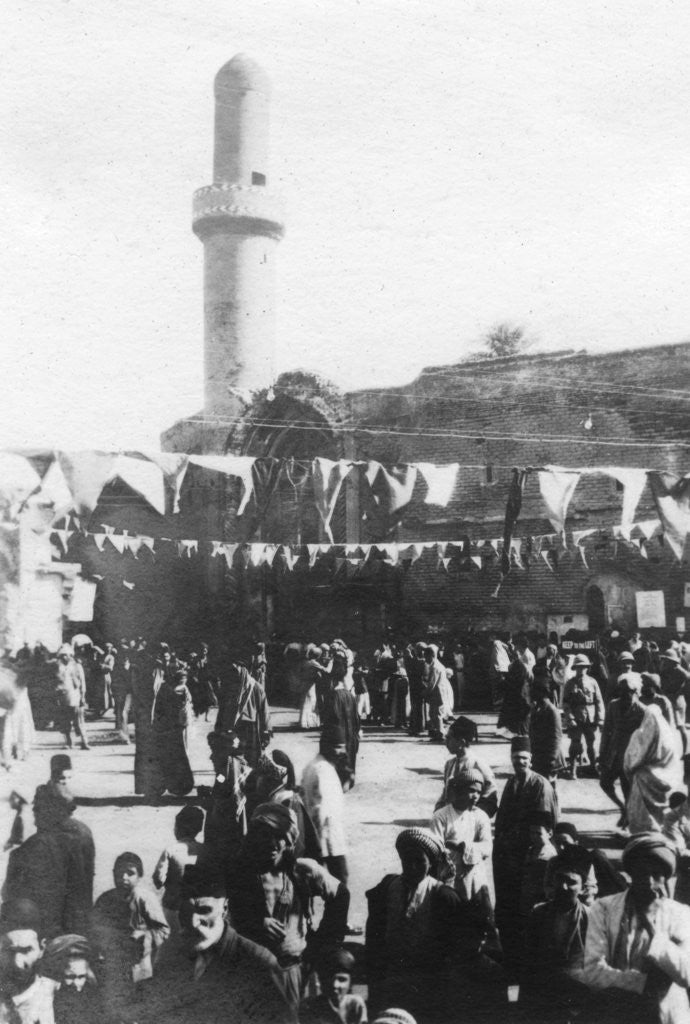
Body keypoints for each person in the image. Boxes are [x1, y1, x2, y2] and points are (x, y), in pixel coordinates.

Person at [226, 803, 349, 1018]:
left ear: (289, 839)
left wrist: (324, 942)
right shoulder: (242, 873)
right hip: (253, 970)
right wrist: (256, 923)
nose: (273, 844)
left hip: (293, 968)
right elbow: (230, 916)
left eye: (279, 836)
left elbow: (340, 895)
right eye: (265, 835)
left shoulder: (302, 871)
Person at [140, 861, 290, 1024]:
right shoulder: (175, 958)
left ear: (225, 908)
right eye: (186, 911)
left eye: (204, 910)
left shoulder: (259, 964)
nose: (193, 921)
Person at [365, 828, 488, 1023]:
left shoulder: (443, 896)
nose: (412, 866)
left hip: (428, 982)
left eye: (419, 861)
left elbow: (458, 945)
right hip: (392, 978)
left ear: (430, 863)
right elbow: (374, 934)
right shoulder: (388, 888)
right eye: (407, 860)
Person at [583, 833, 690, 1024]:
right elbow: (593, 970)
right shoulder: (604, 908)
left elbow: (687, 974)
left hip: (665, 1015)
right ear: (631, 872)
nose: (649, 881)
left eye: (656, 874)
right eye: (642, 873)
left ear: (666, 877)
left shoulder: (680, 914)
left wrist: (653, 929)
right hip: (616, 1012)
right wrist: (641, 983)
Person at [493, 736, 558, 981]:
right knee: (508, 907)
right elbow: (502, 819)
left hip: (530, 854)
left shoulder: (540, 785)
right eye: (515, 758)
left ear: (530, 760)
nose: (519, 762)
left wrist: (522, 844)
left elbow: (542, 824)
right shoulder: (512, 783)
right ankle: (511, 958)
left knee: (528, 909)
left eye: (523, 758)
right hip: (510, 854)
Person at [3, 788, 91, 939]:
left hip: (42, 930)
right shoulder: (82, 834)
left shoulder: (29, 849)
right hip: (77, 925)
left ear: (53, 810)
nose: (34, 810)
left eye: (38, 807)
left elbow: (9, 893)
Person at [92, 851, 170, 1020]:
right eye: (119, 873)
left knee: (137, 1009)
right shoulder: (105, 900)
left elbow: (163, 930)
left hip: (139, 963)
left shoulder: (144, 898)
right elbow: (94, 929)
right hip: (112, 963)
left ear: (140, 875)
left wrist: (145, 936)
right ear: (113, 874)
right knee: (113, 1008)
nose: (124, 877)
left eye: (130, 873)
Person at [521, 845, 591, 1023]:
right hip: (544, 993)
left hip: (577, 995)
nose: (563, 886)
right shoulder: (539, 913)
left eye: (571, 882)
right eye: (559, 879)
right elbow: (528, 957)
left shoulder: (590, 917)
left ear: (582, 888)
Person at [429, 772, 492, 905]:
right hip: (448, 877)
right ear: (459, 789)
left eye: (479, 792)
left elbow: (487, 847)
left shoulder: (481, 816)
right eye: (471, 791)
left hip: (474, 876)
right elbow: (434, 849)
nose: (476, 796)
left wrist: (464, 847)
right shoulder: (441, 816)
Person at [301, 725, 351, 886]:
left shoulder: (318, 765)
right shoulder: (322, 770)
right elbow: (320, 810)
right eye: (338, 747)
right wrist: (320, 845)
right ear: (326, 746)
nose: (342, 752)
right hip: (327, 839)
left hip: (323, 837)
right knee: (340, 884)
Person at [250, 751, 321, 861]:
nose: (256, 780)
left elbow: (296, 847)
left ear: (270, 779)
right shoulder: (277, 798)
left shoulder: (287, 803)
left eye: (260, 775)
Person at [624, 703, 684, 834]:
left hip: (648, 778)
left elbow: (633, 759)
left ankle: (643, 830)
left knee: (639, 779)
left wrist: (630, 769)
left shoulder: (642, 735)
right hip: (669, 778)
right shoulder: (669, 736)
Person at [0, 898, 57, 1024]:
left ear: (42, 948)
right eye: (9, 951)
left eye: (26, 950)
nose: (18, 962)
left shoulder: (57, 994)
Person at [599, 673, 646, 826]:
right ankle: (623, 809)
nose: (626, 694)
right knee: (605, 782)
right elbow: (606, 730)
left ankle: (629, 822)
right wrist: (602, 754)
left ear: (636, 692)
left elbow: (645, 736)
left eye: (630, 691)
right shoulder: (613, 705)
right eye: (622, 691)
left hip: (632, 756)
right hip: (613, 753)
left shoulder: (642, 710)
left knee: (628, 790)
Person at [434, 716, 497, 816]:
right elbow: (445, 795)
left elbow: (490, 796)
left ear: (461, 742)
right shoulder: (450, 764)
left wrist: (474, 816)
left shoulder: (478, 764)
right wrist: (438, 812)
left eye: (449, 738)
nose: (446, 742)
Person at [215, 659, 271, 768]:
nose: (234, 675)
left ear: (244, 671)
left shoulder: (256, 687)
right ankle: (227, 781)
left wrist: (266, 730)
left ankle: (248, 783)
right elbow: (223, 708)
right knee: (231, 757)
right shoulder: (229, 687)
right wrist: (219, 725)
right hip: (233, 726)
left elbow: (264, 711)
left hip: (250, 728)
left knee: (251, 758)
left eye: (237, 672)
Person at [153, 805, 204, 922]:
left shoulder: (171, 850)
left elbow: (158, 880)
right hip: (197, 907)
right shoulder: (204, 850)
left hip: (172, 906)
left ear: (178, 827)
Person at [151, 665, 195, 797]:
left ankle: (173, 786)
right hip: (173, 727)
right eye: (181, 679)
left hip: (174, 727)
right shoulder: (173, 690)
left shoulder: (169, 689)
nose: (183, 682)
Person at [40, 933, 101, 1024]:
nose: (77, 984)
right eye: (70, 977)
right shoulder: (43, 998)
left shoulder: (92, 998)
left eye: (81, 977)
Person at [562, 654, 604, 779]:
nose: (582, 670)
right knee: (575, 743)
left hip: (590, 716)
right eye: (579, 667)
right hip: (576, 716)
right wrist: (570, 718)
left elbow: (599, 701)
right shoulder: (570, 683)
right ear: (575, 668)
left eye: (584, 667)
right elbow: (565, 703)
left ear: (587, 668)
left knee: (591, 743)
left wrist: (600, 719)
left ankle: (593, 768)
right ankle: (573, 769)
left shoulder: (593, 682)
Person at [300, 949, 367, 1024]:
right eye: (328, 979)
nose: (335, 985)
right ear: (320, 980)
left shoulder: (355, 1003)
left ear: (350, 982)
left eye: (342, 979)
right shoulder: (312, 1007)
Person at [322, 647, 360, 777]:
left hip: (338, 740)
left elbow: (332, 722)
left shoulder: (333, 696)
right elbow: (357, 721)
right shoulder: (350, 696)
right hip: (350, 738)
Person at [528, 675, 565, 793]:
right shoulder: (537, 709)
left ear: (541, 692)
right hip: (539, 759)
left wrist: (550, 762)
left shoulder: (552, 711)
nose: (530, 693)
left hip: (549, 761)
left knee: (549, 792)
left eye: (533, 690)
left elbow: (556, 738)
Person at [520, 809, 558, 916]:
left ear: (549, 833)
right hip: (528, 897)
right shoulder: (531, 849)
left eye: (538, 833)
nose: (534, 837)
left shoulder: (550, 855)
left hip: (541, 899)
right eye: (532, 833)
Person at [53, 646, 89, 751]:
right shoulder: (58, 667)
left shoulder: (77, 666)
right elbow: (55, 682)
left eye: (66, 655)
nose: (64, 657)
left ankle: (84, 742)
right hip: (63, 697)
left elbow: (82, 682)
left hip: (75, 697)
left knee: (79, 721)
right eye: (62, 655)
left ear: (71, 655)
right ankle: (69, 742)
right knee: (65, 721)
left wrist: (83, 696)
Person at [422, 645, 450, 743]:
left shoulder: (435, 667)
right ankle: (438, 732)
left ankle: (441, 733)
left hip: (437, 693)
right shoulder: (437, 665)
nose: (425, 659)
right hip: (437, 693)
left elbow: (432, 683)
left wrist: (425, 693)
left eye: (426, 656)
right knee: (433, 713)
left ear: (431, 655)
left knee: (437, 714)